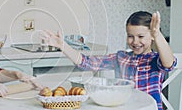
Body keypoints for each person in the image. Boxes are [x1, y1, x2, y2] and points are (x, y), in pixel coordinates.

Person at [40, 11, 176, 110]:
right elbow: (86, 63)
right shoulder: (121, 57)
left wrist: (158, 36)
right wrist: (62, 45)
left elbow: (169, 63)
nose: (135, 42)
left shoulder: (155, 60)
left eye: (141, 36)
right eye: (130, 36)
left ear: (152, 37)